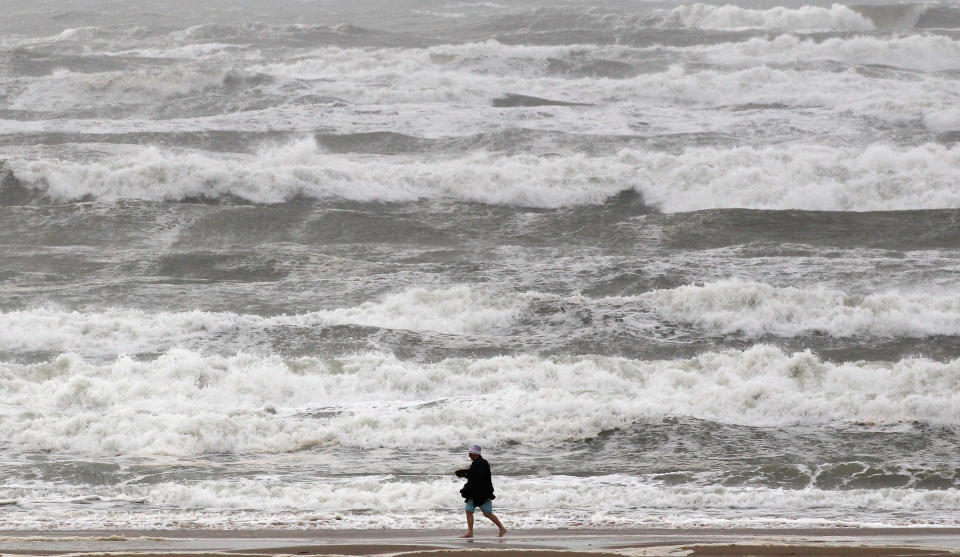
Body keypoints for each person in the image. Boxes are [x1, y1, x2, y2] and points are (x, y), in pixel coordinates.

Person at [458, 445, 506, 538]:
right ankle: (470, 533)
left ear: (476, 454)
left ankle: (502, 529)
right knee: (469, 511)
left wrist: (468, 475)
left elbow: (480, 478)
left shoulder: (483, 463)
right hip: (473, 492)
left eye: (471, 454)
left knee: (487, 513)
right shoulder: (475, 463)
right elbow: (474, 476)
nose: (469, 456)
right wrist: (467, 475)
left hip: (482, 493)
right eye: (469, 454)